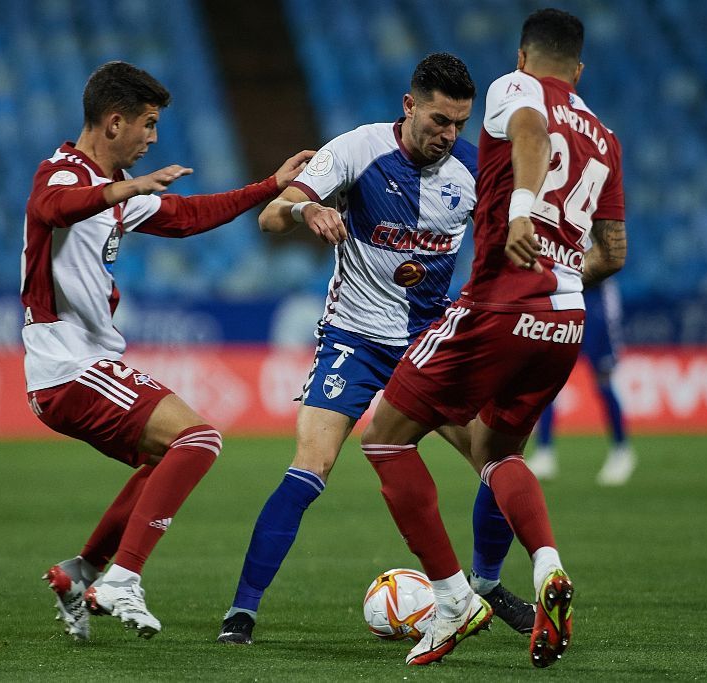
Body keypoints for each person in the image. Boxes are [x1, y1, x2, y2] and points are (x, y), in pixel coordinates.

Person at [216, 53, 535, 646]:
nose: (449, 135)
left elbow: (512, 238)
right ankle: (243, 611)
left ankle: (484, 585)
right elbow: (270, 218)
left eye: (460, 124)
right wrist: (308, 207)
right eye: (439, 120)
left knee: (496, 457)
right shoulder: (357, 150)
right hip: (354, 336)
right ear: (408, 105)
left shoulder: (475, 168)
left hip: (429, 342)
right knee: (310, 465)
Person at [359, 8, 627, 668]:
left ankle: (453, 601)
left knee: (384, 435)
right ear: (581, 69)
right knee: (495, 449)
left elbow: (532, 131)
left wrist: (523, 212)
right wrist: (563, 279)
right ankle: (547, 570)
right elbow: (614, 252)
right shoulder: (607, 135)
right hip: (564, 320)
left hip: (500, 303)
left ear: (523, 54)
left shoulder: (517, 88)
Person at [25, 60, 313, 641]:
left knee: (167, 459)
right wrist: (122, 189)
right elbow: (50, 210)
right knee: (199, 438)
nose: (153, 137)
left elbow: (185, 217)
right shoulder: (62, 174)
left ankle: (81, 572)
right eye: (147, 124)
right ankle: (124, 579)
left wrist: (270, 186)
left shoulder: (111, 191)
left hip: (82, 364)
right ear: (113, 122)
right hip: (68, 365)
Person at [527, 276, 637, 485]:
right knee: (548, 375)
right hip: (563, 295)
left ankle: (621, 451)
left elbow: (612, 255)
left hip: (596, 297)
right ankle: (544, 452)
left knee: (603, 377)